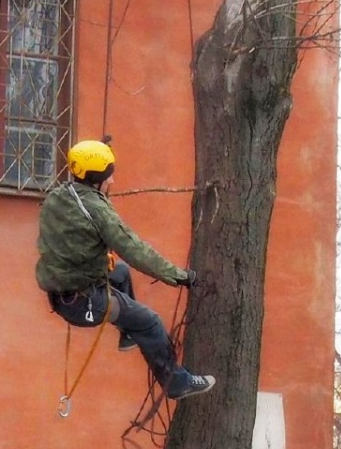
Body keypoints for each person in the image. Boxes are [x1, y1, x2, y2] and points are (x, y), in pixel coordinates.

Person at [36, 139, 216, 400]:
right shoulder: (97, 210)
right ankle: (175, 383)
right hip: (85, 302)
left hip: (63, 289)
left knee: (119, 273)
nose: (112, 181)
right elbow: (135, 251)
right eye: (108, 176)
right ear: (96, 178)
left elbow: (75, 239)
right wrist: (179, 276)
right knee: (150, 322)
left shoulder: (59, 196)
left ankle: (126, 336)